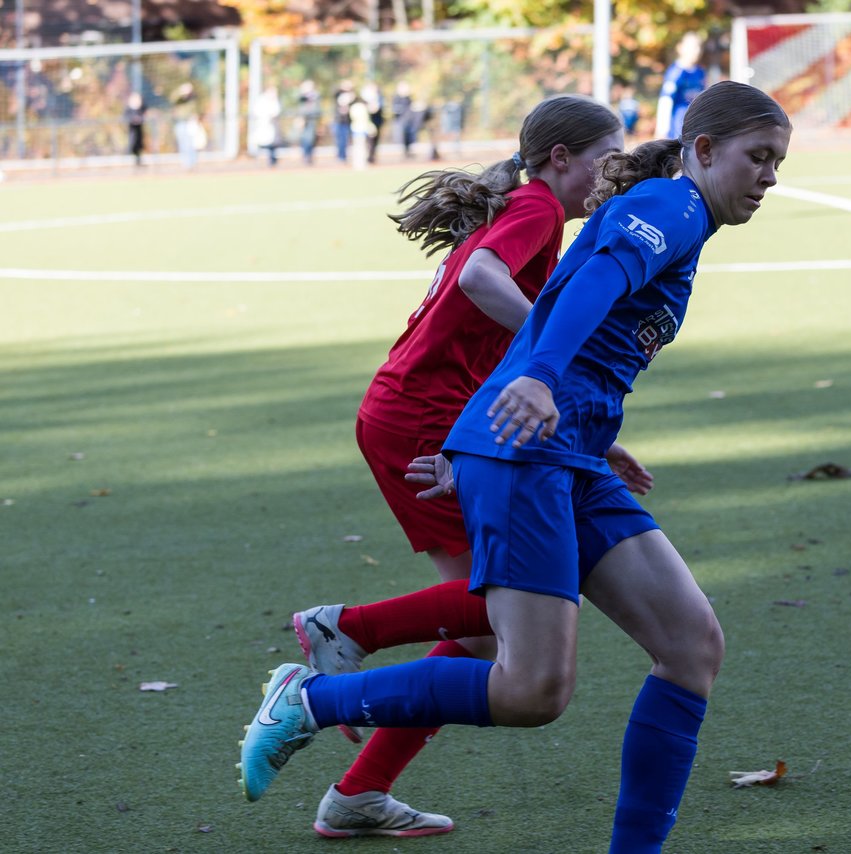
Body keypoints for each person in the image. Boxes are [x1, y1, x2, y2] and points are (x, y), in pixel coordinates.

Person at [240, 81, 793, 853]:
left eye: (778, 162)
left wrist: (576, 424)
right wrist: (534, 379)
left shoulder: (682, 214)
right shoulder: (674, 206)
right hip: (529, 446)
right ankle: (313, 701)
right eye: (757, 157)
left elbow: (582, 300)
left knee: (693, 645)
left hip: (561, 450)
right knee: (532, 689)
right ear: (703, 151)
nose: (769, 176)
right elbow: (592, 285)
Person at [283, 94, 628, 838]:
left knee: (491, 630)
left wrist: (572, 416)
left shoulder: (531, 207)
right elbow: (478, 281)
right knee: (516, 612)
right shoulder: (536, 208)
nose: (614, 171)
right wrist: (552, 352)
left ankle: (357, 794)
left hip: (426, 413)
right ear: (562, 159)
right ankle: (344, 630)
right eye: (606, 157)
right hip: (422, 421)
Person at [655, 32, 706, 140]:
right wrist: (662, 129)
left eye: (698, 47)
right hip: (677, 128)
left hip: (695, 127)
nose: (696, 51)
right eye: (692, 47)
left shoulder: (700, 72)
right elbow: (666, 100)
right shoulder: (676, 73)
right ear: (680, 48)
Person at [171, 82, 200, 171]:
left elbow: (195, 109)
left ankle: (192, 163)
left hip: (190, 122)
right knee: (183, 143)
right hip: (180, 122)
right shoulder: (180, 98)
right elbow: (173, 99)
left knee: (191, 143)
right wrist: (181, 92)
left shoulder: (193, 98)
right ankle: (185, 163)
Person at [252, 83, 283, 167]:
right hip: (264, 125)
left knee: (273, 144)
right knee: (264, 143)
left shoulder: (275, 101)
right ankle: (259, 159)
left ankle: (272, 160)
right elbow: (257, 111)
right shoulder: (262, 100)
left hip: (272, 125)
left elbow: (277, 111)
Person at [297, 79, 321, 165]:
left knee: (310, 138)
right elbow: (300, 100)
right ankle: (305, 155)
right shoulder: (302, 96)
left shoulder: (315, 95)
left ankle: (309, 156)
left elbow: (317, 109)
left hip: (312, 119)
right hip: (303, 119)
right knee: (304, 138)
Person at [362, 82, 385, 165]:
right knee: (367, 140)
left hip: (377, 121)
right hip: (367, 122)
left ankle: (372, 156)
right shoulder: (365, 99)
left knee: (375, 140)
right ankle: (367, 156)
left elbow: (380, 108)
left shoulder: (380, 97)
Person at [333, 80, 355, 162]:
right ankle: (340, 156)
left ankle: (344, 157)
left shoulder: (352, 95)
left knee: (345, 139)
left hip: (347, 121)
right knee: (339, 139)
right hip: (338, 120)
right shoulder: (339, 93)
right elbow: (334, 93)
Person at [125, 91, 146, 167]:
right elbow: (127, 117)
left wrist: (140, 119)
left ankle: (139, 160)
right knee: (133, 144)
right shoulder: (129, 109)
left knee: (139, 144)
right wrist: (133, 119)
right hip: (132, 130)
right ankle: (134, 159)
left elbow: (144, 115)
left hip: (139, 130)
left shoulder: (141, 108)